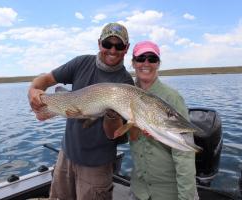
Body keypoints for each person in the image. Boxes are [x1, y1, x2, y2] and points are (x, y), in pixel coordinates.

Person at [28, 22, 134, 200]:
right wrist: (33, 91)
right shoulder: (81, 63)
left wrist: (111, 114)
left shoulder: (126, 84)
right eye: (108, 44)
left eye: (119, 45)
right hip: (66, 154)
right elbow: (44, 80)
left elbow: (115, 135)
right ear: (99, 43)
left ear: (126, 48)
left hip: (97, 165)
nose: (113, 50)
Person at [129, 41, 197, 200]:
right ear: (133, 63)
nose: (146, 63)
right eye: (141, 58)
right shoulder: (125, 94)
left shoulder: (172, 98)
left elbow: (184, 153)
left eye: (152, 59)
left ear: (158, 64)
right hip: (139, 190)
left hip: (169, 192)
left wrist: (185, 196)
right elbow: (122, 137)